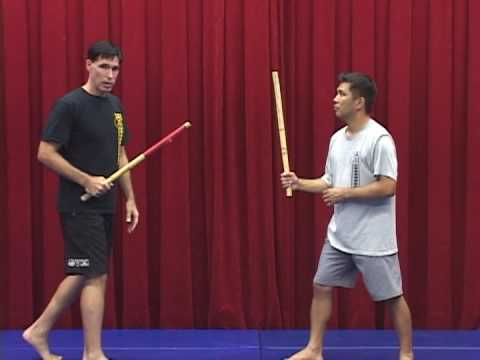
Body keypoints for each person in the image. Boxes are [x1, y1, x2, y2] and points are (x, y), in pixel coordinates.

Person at [281, 72, 413, 360]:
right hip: (340, 235)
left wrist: (346, 194)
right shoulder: (337, 139)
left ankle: (406, 354)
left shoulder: (379, 139)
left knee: (392, 298)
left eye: (341, 94)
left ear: (359, 102)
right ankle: (314, 350)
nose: (335, 99)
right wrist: (299, 183)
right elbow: (329, 181)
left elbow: (388, 186)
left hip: (373, 239)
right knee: (321, 285)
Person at [23, 40, 139, 360]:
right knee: (95, 274)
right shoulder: (69, 105)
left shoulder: (116, 106)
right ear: (87, 65)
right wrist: (86, 179)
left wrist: (130, 199)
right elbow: (45, 153)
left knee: (84, 271)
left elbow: (121, 155)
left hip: (106, 205)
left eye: (115, 68)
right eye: (103, 66)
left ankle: (39, 330)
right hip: (79, 204)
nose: (110, 74)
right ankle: (93, 353)